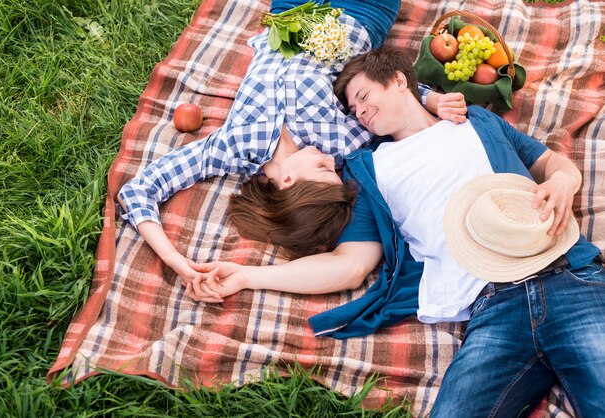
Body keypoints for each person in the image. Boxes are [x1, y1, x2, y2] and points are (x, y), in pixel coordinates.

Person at [190, 46, 605, 417]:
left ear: (400, 81)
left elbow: (552, 163)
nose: (360, 112)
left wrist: (563, 184)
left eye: (365, 96)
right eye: (353, 110)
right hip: (491, 307)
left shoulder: (476, 120)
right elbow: (350, 265)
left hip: (566, 275)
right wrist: (246, 276)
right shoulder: (366, 170)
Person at [117, 0, 467, 297]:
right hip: (361, 12)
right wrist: (430, 98)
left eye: (322, 170)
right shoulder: (345, 143)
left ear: (287, 182)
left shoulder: (232, 148)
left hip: (291, 10)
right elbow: (380, 97)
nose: (329, 161)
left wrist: (180, 265)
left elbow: (138, 192)